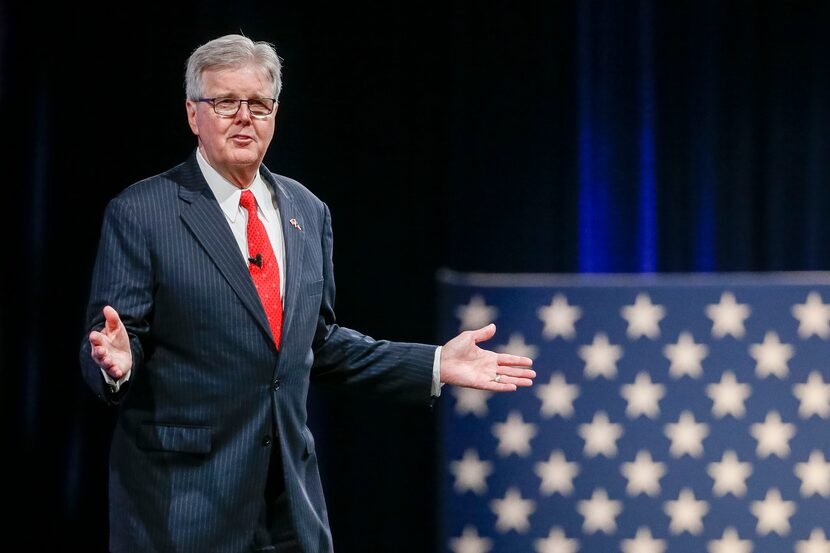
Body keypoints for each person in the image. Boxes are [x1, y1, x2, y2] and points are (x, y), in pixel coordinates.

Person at [79, 34, 535, 553]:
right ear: (192, 113)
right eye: (225, 102)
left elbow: (316, 344)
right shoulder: (144, 211)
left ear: (275, 114)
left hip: (289, 508)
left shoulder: (306, 210)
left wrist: (432, 364)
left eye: (258, 104)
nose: (243, 117)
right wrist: (119, 363)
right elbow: (115, 338)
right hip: (183, 507)